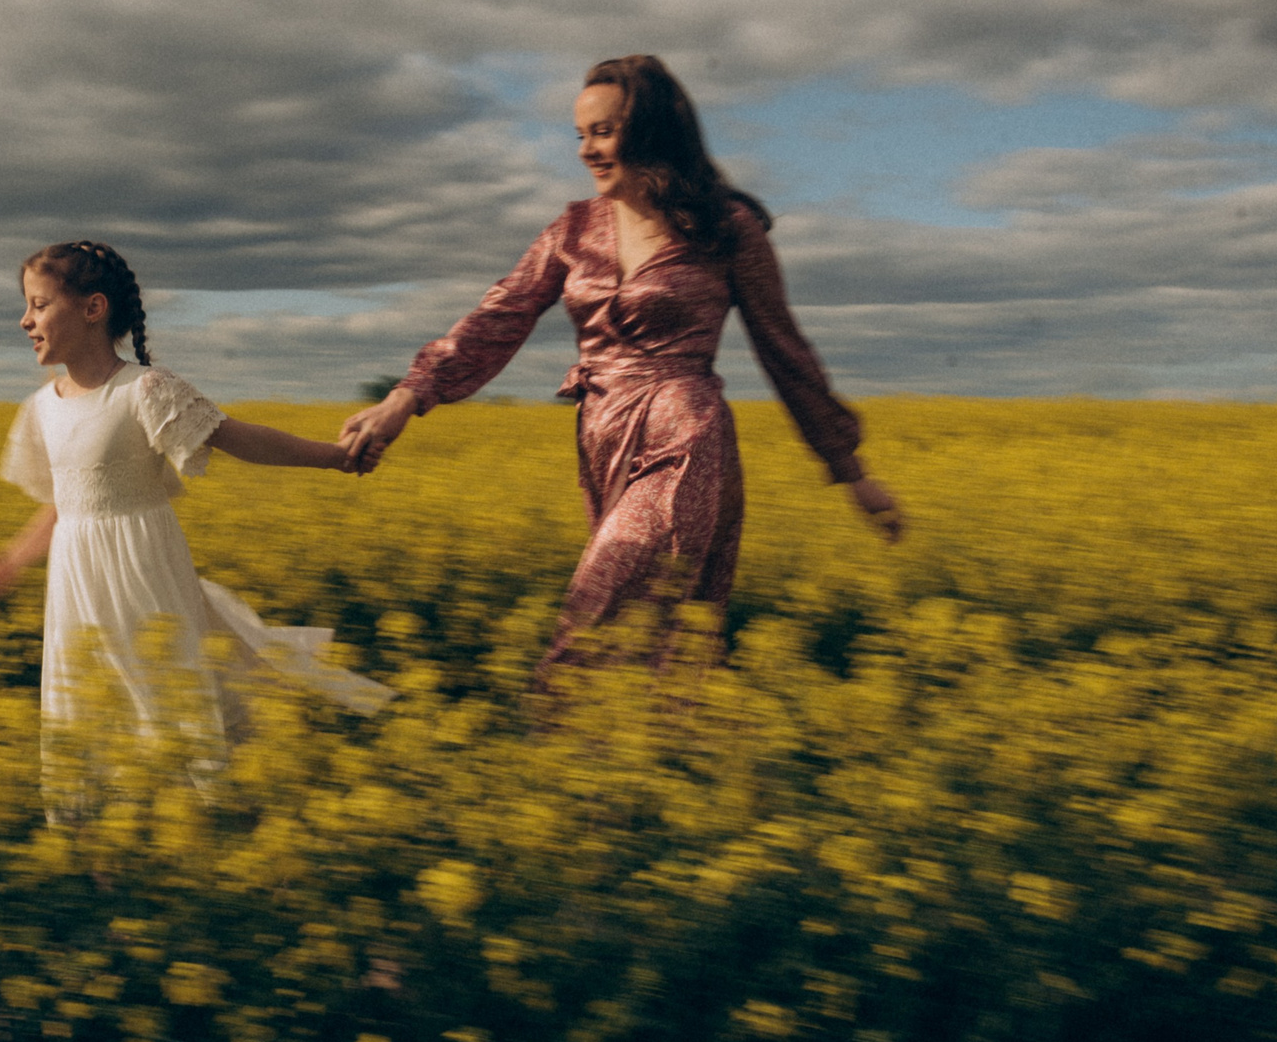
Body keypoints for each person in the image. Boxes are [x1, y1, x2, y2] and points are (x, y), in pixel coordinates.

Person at [338, 55, 903, 689]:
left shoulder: (726, 227)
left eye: (603, 132)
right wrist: (405, 399)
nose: (586, 150)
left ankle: (547, 747)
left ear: (653, 130)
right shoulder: (573, 229)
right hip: (601, 437)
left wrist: (851, 473)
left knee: (597, 613)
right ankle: (660, 770)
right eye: (580, 135)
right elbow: (498, 317)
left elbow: (785, 352)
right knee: (659, 639)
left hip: (685, 438)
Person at [0, 240, 394, 820]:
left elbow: (237, 437)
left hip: (144, 575)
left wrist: (336, 457)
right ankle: (98, 857)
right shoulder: (42, 407)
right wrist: (14, 561)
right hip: (77, 586)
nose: (26, 320)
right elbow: (66, 503)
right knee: (87, 712)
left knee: (164, 696)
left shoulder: (144, 390)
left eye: (40, 305)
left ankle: (209, 829)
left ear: (93, 309)